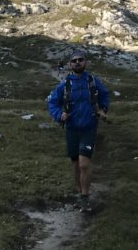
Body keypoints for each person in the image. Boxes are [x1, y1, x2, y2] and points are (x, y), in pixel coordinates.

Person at [47, 49, 110, 212]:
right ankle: (80, 192)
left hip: (89, 127)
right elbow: (53, 103)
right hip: (72, 129)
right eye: (74, 60)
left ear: (85, 62)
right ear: (70, 64)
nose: (77, 62)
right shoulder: (65, 84)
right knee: (76, 165)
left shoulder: (93, 81)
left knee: (83, 164)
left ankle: (85, 197)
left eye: (80, 60)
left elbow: (105, 95)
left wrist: (103, 109)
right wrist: (59, 115)